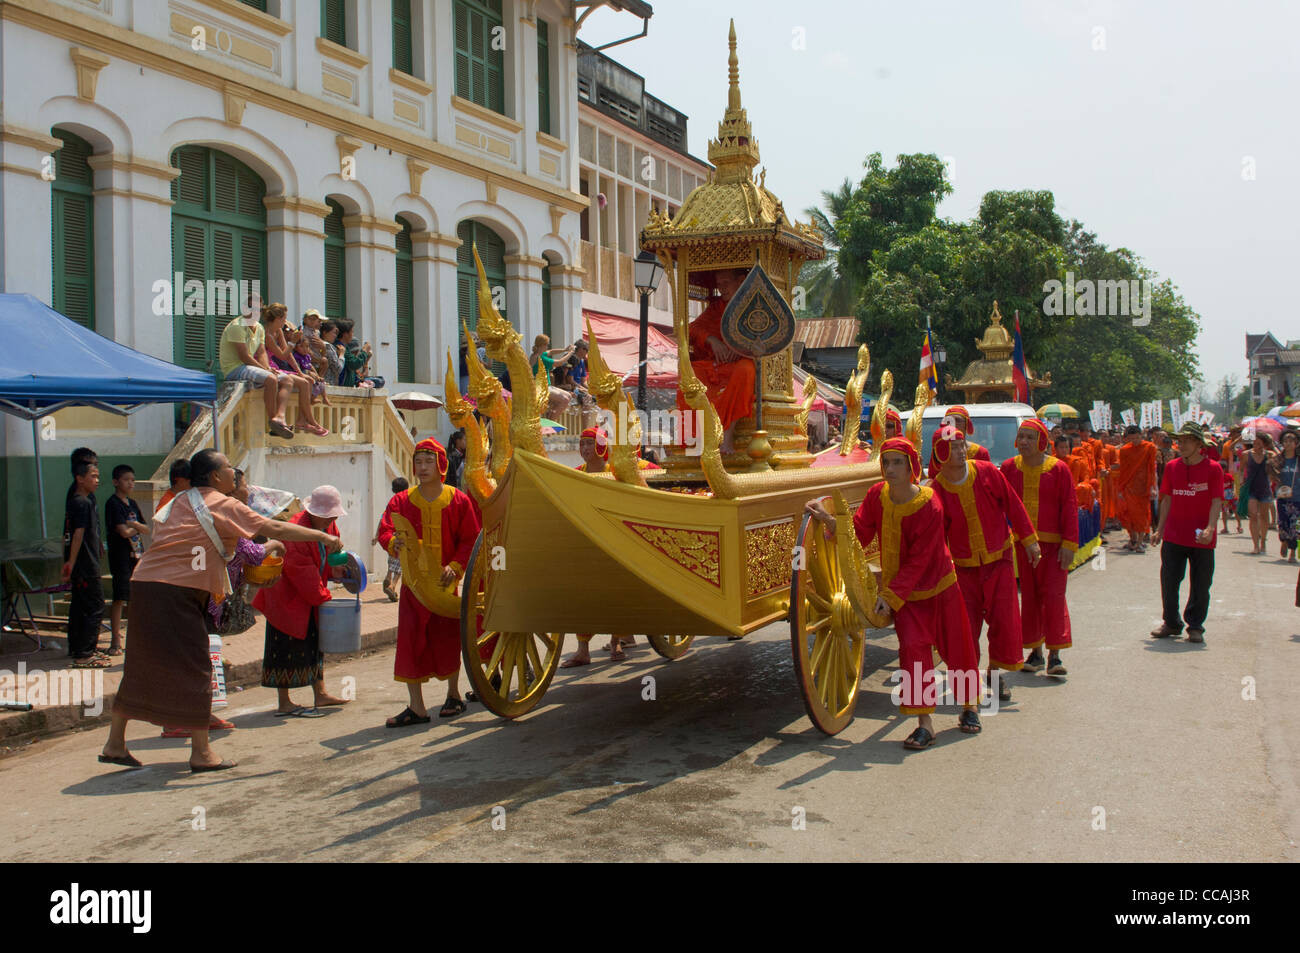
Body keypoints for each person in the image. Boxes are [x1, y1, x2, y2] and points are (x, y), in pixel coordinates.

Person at [100, 449, 343, 771]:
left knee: (141, 663)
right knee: (199, 665)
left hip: (145, 583)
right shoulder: (223, 503)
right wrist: (323, 537)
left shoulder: (179, 501)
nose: (233, 472)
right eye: (228, 467)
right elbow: (277, 530)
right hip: (180, 591)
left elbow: (167, 537)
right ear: (215, 476)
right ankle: (201, 754)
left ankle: (115, 743)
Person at [805, 437, 982, 750]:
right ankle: (925, 723)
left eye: (897, 462)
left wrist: (890, 595)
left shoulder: (930, 503)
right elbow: (860, 532)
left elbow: (921, 560)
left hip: (940, 587)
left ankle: (970, 706)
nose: (889, 469)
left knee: (958, 647)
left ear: (912, 466)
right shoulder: (877, 496)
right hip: (907, 598)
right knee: (913, 651)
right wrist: (831, 521)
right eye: (886, 462)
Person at [376, 438, 482, 726]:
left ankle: (453, 695)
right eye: (418, 462)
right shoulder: (401, 501)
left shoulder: (458, 500)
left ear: (441, 465)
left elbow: (470, 538)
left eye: (428, 462)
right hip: (413, 585)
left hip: (446, 584)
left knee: (447, 639)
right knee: (410, 641)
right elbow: (385, 529)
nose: (422, 468)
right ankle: (417, 706)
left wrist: (456, 565)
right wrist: (392, 543)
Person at [931, 424, 1039, 702]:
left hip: (999, 559)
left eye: (960, 445)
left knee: (1004, 621)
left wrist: (1029, 540)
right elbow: (936, 535)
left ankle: (996, 672)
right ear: (939, 453)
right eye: (952, 447)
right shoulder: (936, 492)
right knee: (966, 628)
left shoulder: (988, 472)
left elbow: (1013, 505)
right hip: (962, 569)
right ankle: (970, 682)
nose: (959, 451)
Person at [253, 486, 354, 717]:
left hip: (307, 596)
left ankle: (320, 693)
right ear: (314, 512)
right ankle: (284, 701)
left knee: (315, 643)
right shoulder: (296, 531)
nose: (333, 519)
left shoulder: (328, 526)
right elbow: (301, 571)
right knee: (283, 647)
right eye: (329, 515)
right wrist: (324, 597)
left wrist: (334, 571)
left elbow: (328, 555)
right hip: (285, 597)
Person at [1002, 420, 1078, 676]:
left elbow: (1069, 506)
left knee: (1054, 597)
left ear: (1042, 442)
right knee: (1030, 598)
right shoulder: (1009, 468)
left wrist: (1070, 543)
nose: (1023, 442)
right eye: (1021, 436)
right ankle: (1035, 652)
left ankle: (1055, 655)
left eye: (1029, 437)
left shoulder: (1058, 470)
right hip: (1023, 546)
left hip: (1054, 547)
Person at [1150, 423, 1224, 644]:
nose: (1180, 445)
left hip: (1202, 536)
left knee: (1201, 584)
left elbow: (1216, 501)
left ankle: (1195, 625)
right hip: (1174, 534)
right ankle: (1171, 623)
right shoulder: (1172, 467)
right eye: (1179, 441)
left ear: (1199, 444)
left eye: (1186, 441)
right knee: (1169, 581)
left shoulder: (1214, 469)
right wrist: (1159, 530)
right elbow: (1167, 500)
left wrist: (1211, 528)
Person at [678, 268, 755, 454]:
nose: (722, 289)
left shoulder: (755, 306)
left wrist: (740, 348)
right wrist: (711, 340)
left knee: (745, 370)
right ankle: (698, 440)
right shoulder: (716, 308)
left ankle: (727, 436)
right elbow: (691, 329)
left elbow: (766, 337)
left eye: (726, 283)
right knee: (691, 375)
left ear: (741, 280)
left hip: (744, 364)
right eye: (719, 285)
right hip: (717, 366)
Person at [217, 296, 298, 439]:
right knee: (271, 379)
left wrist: (266, 367)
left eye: (258, 309)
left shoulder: (259, 327)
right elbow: (244, 356)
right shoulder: (237, 326)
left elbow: (261, 352)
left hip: (249, 367)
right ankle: (273, 420)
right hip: (235, 368)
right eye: (251, 308)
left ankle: (280, 416)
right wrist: (265, 370)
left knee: (287, 380)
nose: (254, 312)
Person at [62, 458, 106, 667]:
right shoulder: (83, 503)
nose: (97, 480)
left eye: (97, 476)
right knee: (95, 606)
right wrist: (71, 561)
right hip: (86, 564)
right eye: (93, 476)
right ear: (80, 479)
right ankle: (85, 654)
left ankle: (78, 648)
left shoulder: (75, 501)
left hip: (81, 564)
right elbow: (77, 534)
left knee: (79, 605)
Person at [262, 304, 329, 435]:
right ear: (277, 318)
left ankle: (302, 420)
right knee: (303, 382)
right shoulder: (267, 335)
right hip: (268, 366)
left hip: (275, 366)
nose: (285, 322)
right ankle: (311, 421)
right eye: (284, 318)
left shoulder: (278, 332)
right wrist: (292, 342)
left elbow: (289, 356)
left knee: (307, 380)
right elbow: (282, 355)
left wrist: (299, 372)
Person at [105, 464, 148, 657]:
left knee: (134, 598)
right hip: (120, 556)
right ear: (116, 482)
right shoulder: (113, 504)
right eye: (126, 480)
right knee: (119, 598)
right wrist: (133, 527)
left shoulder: (132, 504)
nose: (130, 483)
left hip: (137, 555)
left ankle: (134, 638)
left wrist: (134, 525)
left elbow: (146, 528)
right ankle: (115, 639)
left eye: (132, 479)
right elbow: (123, 532)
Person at [1113, 425, 1158, 552]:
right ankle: (1132, 538)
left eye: (1137, 438)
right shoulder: (1124, 450)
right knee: (1125, 513)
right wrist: (1121, 488)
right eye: (1132, 439)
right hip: (1128, 486)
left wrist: (1152, 487)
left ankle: (1139, 542)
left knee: (1142, 515)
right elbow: (1124, 470)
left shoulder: (1150, 447)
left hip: (1143, 486)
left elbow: (1151, 468)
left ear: (1141, 435)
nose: (1135, 441)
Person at [925, 406, 991, 479]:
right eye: (949, 421)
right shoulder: (940, 451)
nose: (953, 424)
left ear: (967, 423)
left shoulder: (981, 452)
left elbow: (987, 480)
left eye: (958, 420)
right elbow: (933, 478)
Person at [1242, 432, 1276, 554]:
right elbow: (1241, 470)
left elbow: (1276, 466)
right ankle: (1256, 545)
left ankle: (1263, 542)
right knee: (1253, 515)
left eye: (1260, 443)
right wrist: (1241, 485)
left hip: (1265, 489)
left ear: (1265, 444)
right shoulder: (1246, 455)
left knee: (1264, 517)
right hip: (1251, 489)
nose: (1257, 445)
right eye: (1255, 443)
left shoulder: (1270, 455)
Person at [376, 477, 410, 601]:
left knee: (392, 561)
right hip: (402, 537)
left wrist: (376, 536)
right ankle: (393, 585)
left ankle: (387, 577)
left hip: (391, 537)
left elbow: (383, 520)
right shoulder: (408, 500)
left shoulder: (392, 502)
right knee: (401, 565)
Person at [1270, 429, 1300, 561]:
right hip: (1282, 497)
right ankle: (1283, 541)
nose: (1288, 444)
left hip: (1297, 497)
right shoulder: (1278, 460)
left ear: (1296, 443)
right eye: (1285, 441)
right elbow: (1271, 474)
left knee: (1295, 524)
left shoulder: (1298, 460)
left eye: (1291, 441)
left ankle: (1293, 551)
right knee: (1283, 523)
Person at [336, 319, 372, 388]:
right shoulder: (340, 347)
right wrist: (364, 351)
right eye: (352, 332)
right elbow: (354, 364)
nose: (352, 335)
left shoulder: (345, 347)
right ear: (345, 334)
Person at [318, 319, 345, 387]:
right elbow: (338, 368)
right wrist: (341, 355)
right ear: (324, 332)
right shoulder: (327, 346)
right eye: (333, 333)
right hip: (327, 384)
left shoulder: (317, 344)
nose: (335, 336)